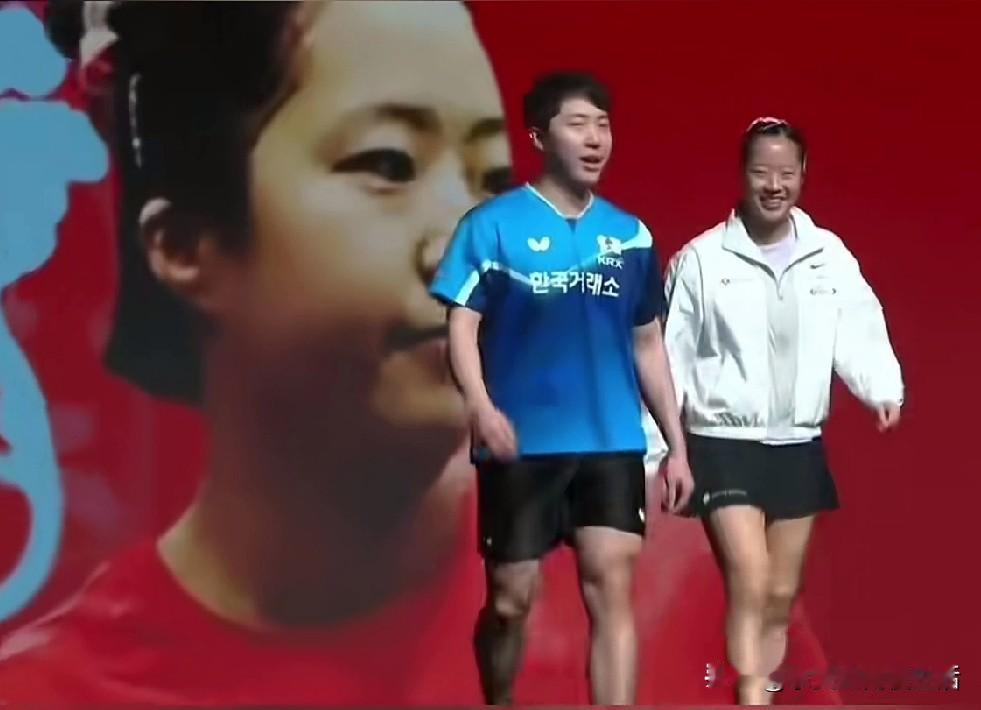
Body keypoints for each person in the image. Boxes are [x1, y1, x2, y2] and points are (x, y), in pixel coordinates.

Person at [0, 2, 844, 703]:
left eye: (491, 181)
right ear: (188, 245)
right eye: (388, 163)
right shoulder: (49, 692)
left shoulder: (674, 586)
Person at [429, 71, 694, 705]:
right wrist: (480, 407)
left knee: (612, 590)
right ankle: (499, 698)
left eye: (603, 125)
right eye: (578, 125)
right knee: (510, 599)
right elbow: (461, 326)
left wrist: (678, 446)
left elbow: (647, 344)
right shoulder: (491, 227)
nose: (595, 138)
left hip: (611, 442)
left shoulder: (629, 236)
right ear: (539, 137)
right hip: (521, 444)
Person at [661, 116, 904, 704]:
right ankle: (751, 696)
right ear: (742, 175)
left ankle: (758, 690)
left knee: (778, 593)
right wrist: (662, 449)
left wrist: (881, 386)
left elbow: (859, 321)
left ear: (802, 174)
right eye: (761, 172)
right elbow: (669, 355)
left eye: (786, 173)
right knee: (749, 579)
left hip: (797, 445)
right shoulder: (701, 260)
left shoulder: (827, 255)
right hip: (723, 443)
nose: (774, 185)